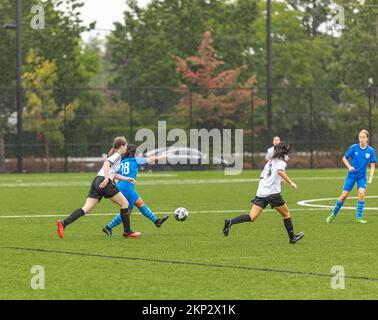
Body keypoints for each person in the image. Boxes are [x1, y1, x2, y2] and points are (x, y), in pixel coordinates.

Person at [56, 136, 141, 239]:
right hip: (104, 182)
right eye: (126, 146)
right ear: (121, 146)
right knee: (125, 204)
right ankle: (127, 232)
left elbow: (113, 174)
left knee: (86, 209)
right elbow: (106, 164)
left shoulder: (116, 156)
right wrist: (106, 179)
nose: (126, 148)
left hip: (96, 180)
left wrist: (127, 179)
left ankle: (63, 223)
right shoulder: (117, 155)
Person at [223, 143, 304, 244]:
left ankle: (231, 221)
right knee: (286, 214)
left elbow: (262, 177)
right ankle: (292, 238)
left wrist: (278, 181)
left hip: (261, 193)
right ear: (283, 153)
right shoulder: (281, 163)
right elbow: (280, 172)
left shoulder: (269, 162)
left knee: (252, 217)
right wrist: (291, 182)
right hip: (273, 194)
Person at [102, 145, 171, 236]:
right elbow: (150, 159)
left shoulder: (121, 162)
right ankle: (109, 227)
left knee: (140, 203)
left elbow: (114, 175)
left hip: (122, 186)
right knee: (127, 212)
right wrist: (163, 156)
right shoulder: (134, 160)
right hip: (127, 188)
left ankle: (156, 221)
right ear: (133, 153)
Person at [326, 130, 376, 224]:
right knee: (343, 196)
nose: (361, 139)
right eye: (360, 137)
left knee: (361, 194)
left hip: (361, 177)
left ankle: (359, 218)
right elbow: (344, 158)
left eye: (363, 137)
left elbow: (372, 165)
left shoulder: (370, 151)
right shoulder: (353, 148)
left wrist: (370, 177)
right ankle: (333, 214)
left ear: (367, 138)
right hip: (351, 176)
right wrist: (349, 167)